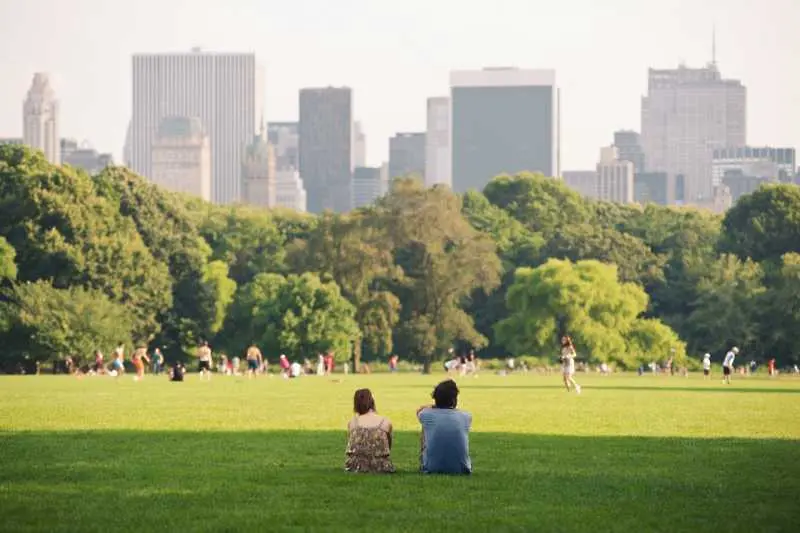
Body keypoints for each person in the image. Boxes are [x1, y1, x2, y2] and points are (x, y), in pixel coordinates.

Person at [417, 379, 472, 475]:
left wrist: (434, 406)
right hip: (462, 469)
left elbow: (420, 410)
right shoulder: (466, 416)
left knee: (425, 429)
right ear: (454, 399)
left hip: (431, 468)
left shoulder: (426, 414)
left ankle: (427, 462)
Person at [345, 389, 395, 473]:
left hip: (355, 466)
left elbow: (352, 444)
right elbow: (388, 447)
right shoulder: (385, 423)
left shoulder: (352, 423)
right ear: (372, 402)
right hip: (381, 466)